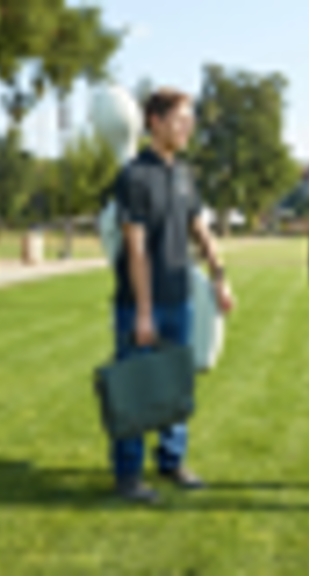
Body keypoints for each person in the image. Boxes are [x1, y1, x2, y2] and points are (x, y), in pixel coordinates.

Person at [110, 88, 234, 504]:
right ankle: (128, 476)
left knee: (176, 386)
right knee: (135, 388)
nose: (189, 125)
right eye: (180, 118)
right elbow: (136, 248)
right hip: (139, 304)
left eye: (190, 117)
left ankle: (171, 461)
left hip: (180, 299)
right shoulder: (133, 177)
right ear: (155, 122)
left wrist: (220, 276)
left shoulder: (184, 173)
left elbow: (200, 229)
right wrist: (144, 312)